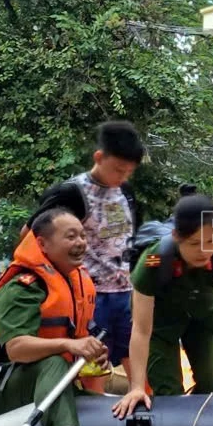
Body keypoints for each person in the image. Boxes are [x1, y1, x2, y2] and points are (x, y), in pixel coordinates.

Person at [0, 207, 108, 426]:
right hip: (10, 386)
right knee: (53, 361)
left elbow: (76, 338)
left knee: (65, 365)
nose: (80, 243)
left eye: (83, 236)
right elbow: (16, 349)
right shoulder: (21, 287)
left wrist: (90, 353)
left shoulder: (78, 284)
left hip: (58, 381)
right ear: (42, 244)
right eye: (71, 237)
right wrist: (68, 346)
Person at [113, 195, 213, 417]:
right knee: (168, 393)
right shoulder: (153, 261)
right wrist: (136, 386)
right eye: (194, 243)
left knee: (212, 384)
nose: (204, 251)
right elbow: (140, 328)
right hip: (160, 321)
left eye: (211, 241)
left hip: (204, 315)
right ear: (177, 237)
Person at [65, 121, 145, 378]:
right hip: (88, 295)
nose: (122, 177)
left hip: (125, 292)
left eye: (128, 172)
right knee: (93, 361)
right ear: (98, 158)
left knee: (134, 352)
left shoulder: (126, 192)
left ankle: (141, 398)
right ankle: (93, 403)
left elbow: (133, 239)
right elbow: (34, 235)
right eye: (118, 170)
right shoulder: (72, 192)